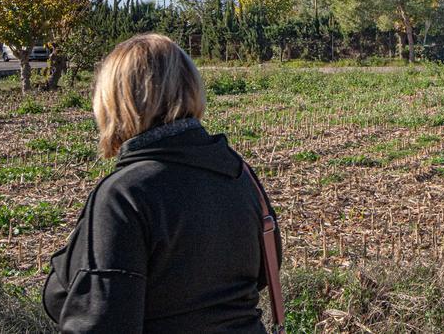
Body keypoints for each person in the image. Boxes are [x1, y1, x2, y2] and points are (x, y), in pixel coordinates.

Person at [43, 34, 281, 333]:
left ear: (114, 100)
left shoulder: (125, 196)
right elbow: (262, 275)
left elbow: (99, 320)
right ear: (191, 87)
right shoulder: (240, 175)